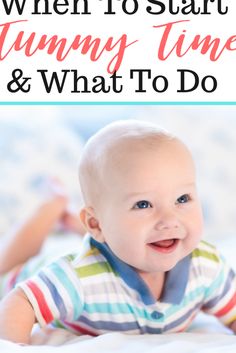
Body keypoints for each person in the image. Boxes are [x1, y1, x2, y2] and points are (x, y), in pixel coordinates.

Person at [0, 119, 236, 344]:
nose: (169, 220)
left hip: (112, 236)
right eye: (143, 204)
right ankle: (52, 205)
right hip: (35, 268)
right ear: (95, 224)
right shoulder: (78, 277)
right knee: (5, 270)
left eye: (182, 199)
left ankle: (75, 222)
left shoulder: (207, 267)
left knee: (121, 234)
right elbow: (22, 302)